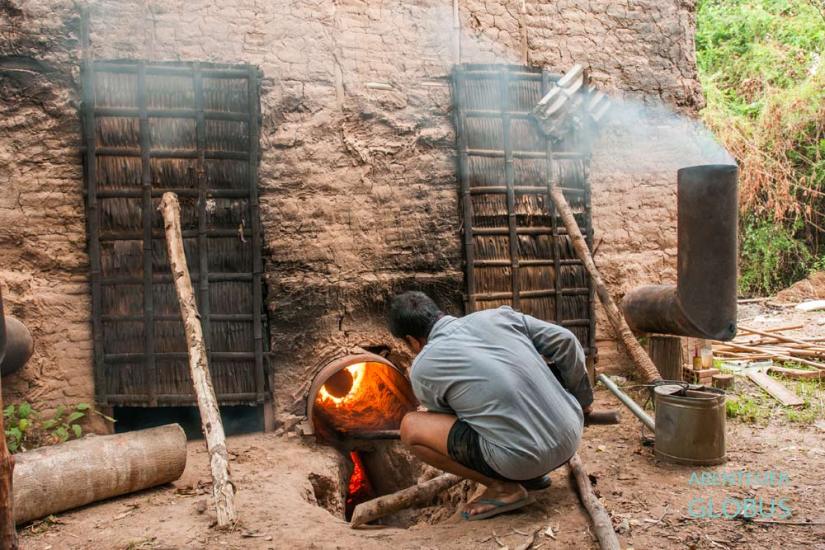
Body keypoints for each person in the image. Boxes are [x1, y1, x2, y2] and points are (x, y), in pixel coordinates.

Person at [388, 291, 593, 520]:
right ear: (438, 312)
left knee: (411, 426)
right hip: (571, 435)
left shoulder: (424, 367)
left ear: (412, 340)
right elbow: (566, 340)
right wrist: (583, 401)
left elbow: (449, 419)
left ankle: (504, 488)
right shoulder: (499, 316)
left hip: (523, 460)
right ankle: (530, 476)